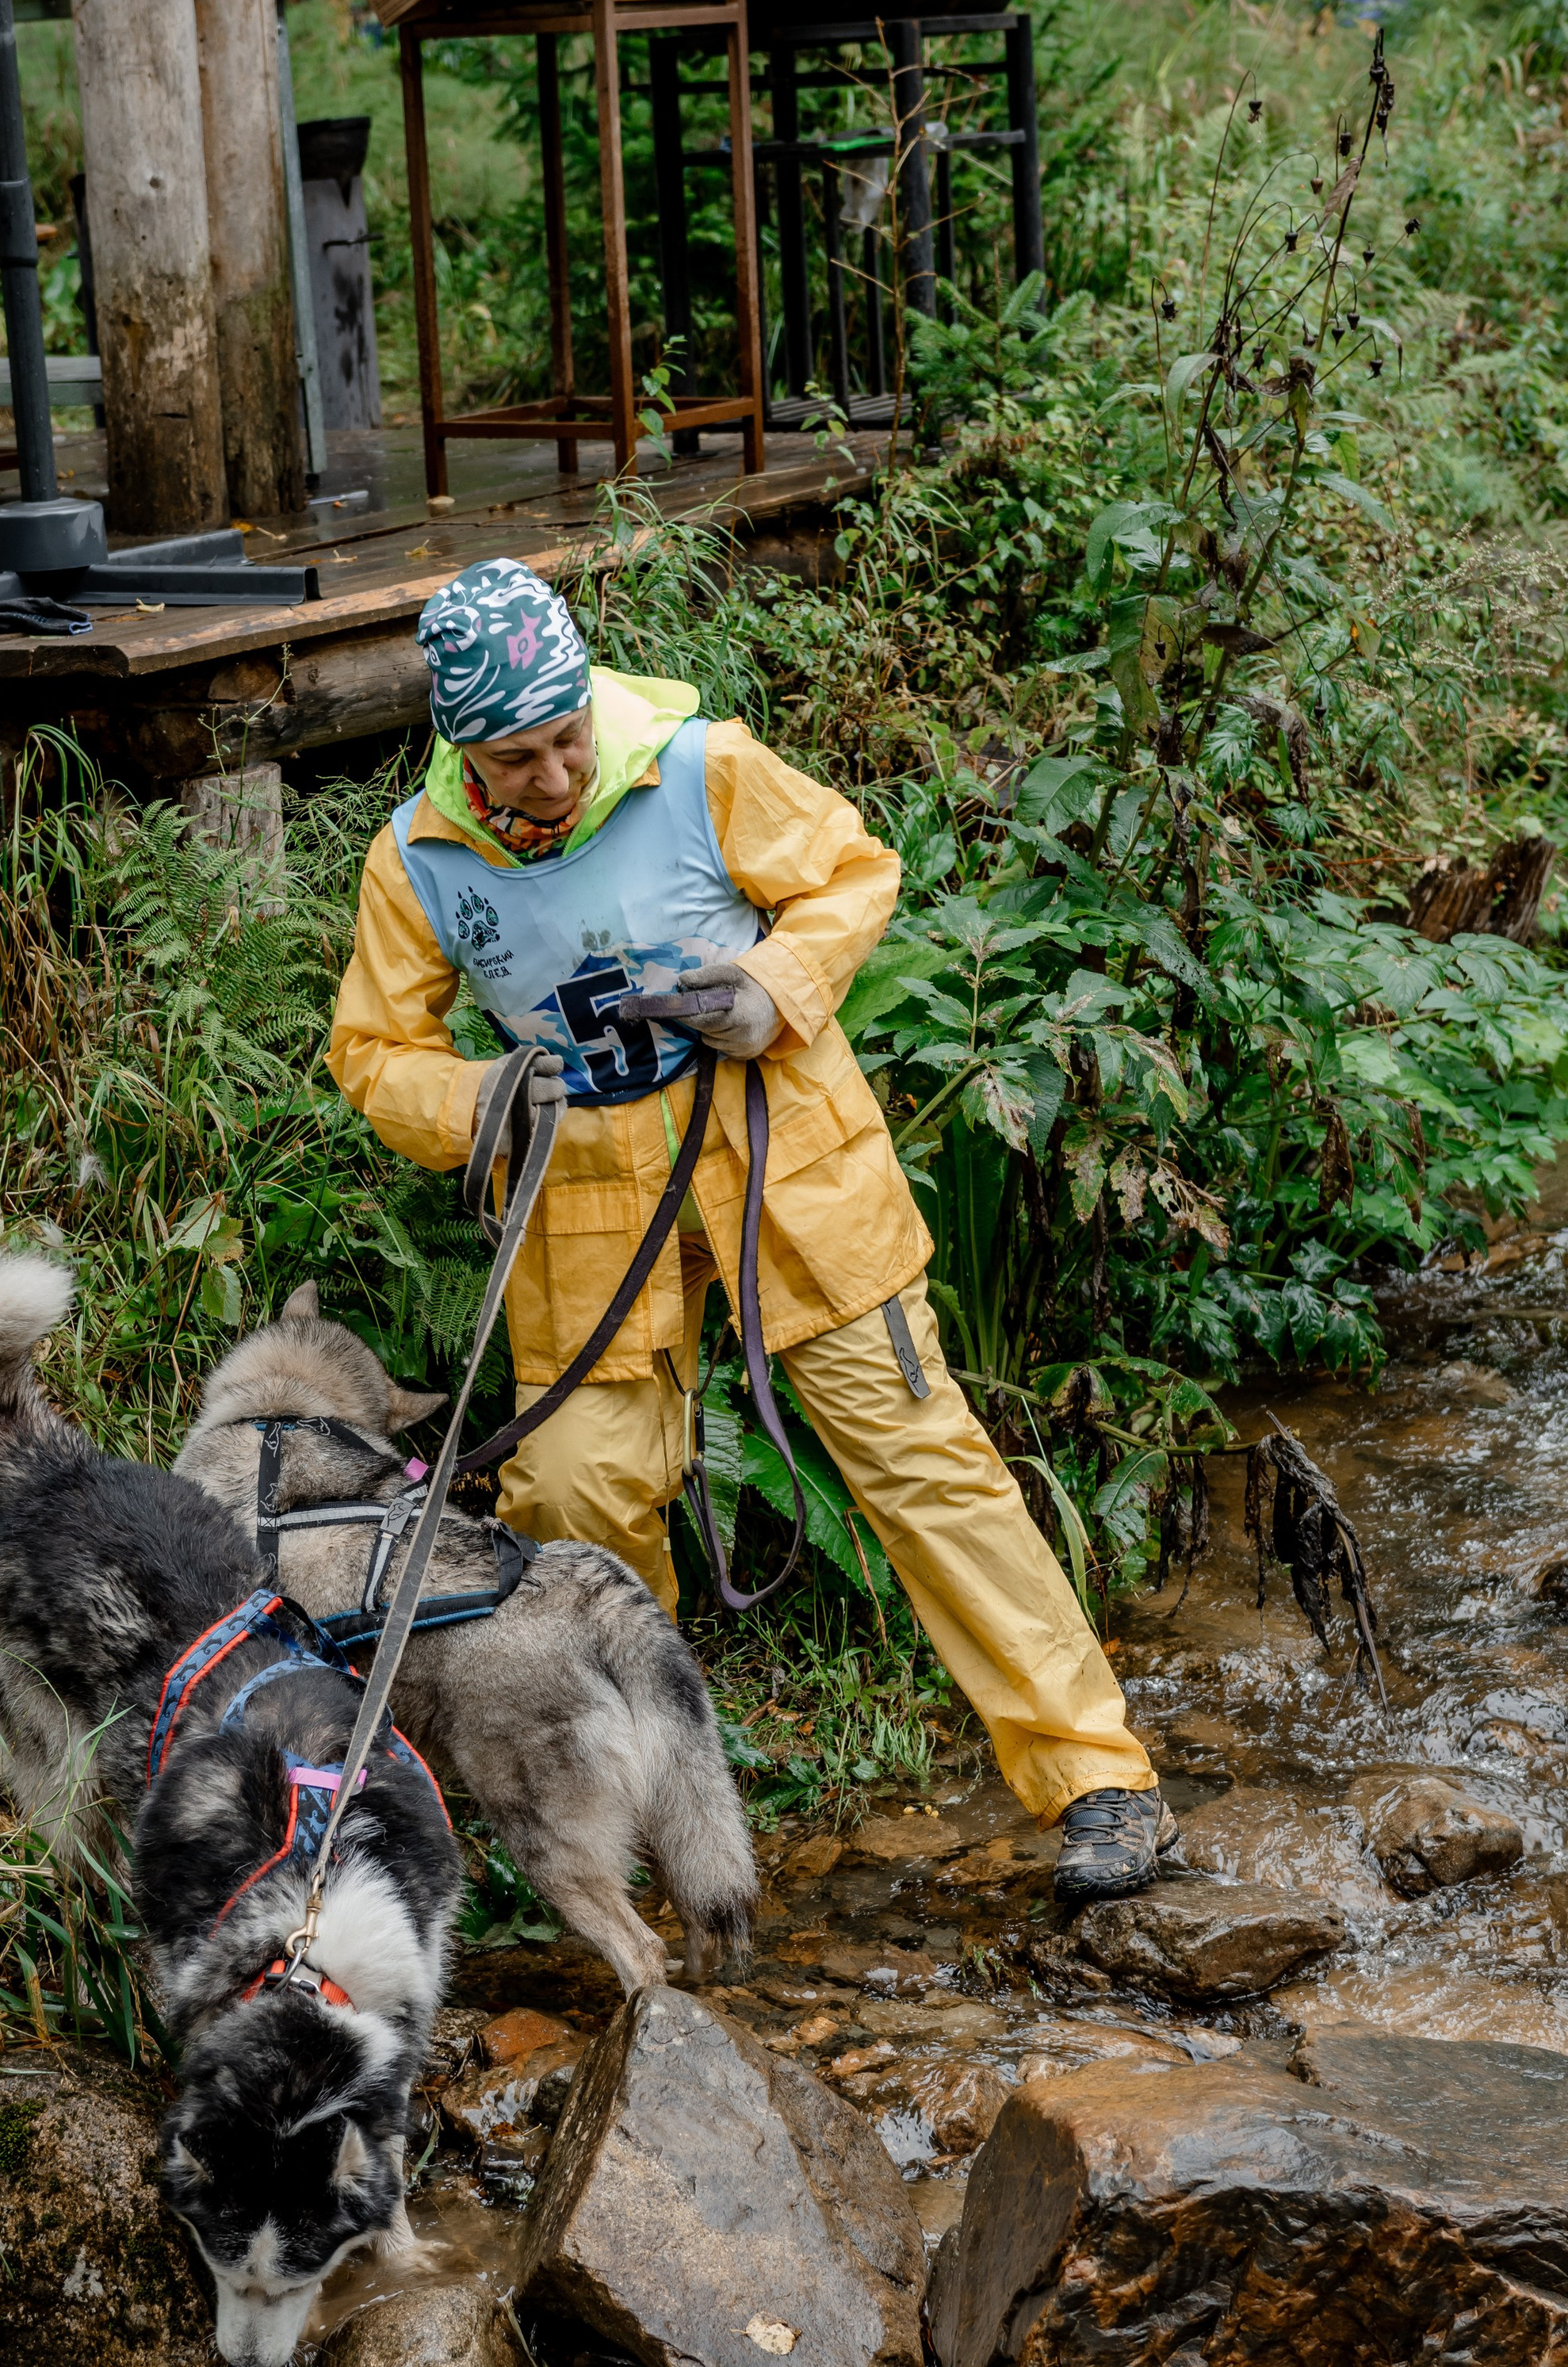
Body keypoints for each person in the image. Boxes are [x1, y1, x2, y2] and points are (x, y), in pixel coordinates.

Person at [327, 558, 1171, 1902]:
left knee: (919, 1457)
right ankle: (649, 1808)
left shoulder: (699, 765)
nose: (554, 776)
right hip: (586, 1202)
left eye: (567, 740)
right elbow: (375, 1051)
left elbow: (851, 871)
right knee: (576, 1497)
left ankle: (1100, 1779)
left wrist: (771, 984)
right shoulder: (416, 860)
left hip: (781, 1159)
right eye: (518, 760)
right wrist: (479, 1099)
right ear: (460, 751)